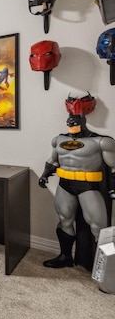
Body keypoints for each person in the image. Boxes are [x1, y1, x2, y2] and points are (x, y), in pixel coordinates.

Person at [38, 94, 115, 270]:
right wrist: (44, 175)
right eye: (69, 122)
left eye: (74, 122)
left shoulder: (101, 142)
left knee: (99, 227)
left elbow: (113, 168)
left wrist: (113, 188)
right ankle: (65, 256)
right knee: (64, 219)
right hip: (65, 184)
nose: (71, 124)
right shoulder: (59, 140)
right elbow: (53, 160)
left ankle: (105, 268)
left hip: (88, 186)